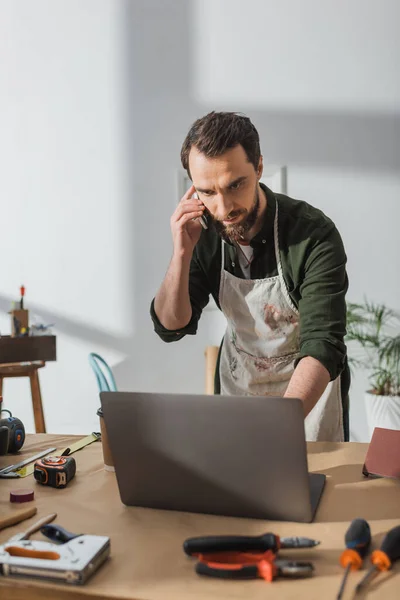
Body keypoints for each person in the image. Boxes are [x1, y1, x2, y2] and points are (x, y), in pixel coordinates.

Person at [151, 111, 350, 442]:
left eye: (235, 185)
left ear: (258, 166)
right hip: (240, 387)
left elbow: (323, 346)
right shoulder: (204, 233)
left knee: (315, 490)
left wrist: (277, 428)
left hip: (307, 400)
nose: (223, 207)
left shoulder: (313, 234)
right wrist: (181, 254)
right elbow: (171, 326)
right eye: (207, 192)